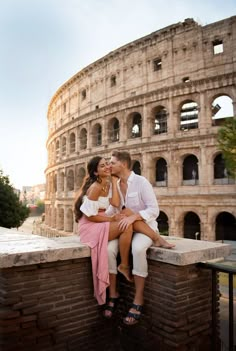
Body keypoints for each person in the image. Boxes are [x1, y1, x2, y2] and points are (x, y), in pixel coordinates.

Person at [105, 150, 175, 325]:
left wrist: (133, 216)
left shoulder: (141, 182)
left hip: (144, 228)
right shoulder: (114, 184)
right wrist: (98, 217)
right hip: (124, 230)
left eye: (112, 162)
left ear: (124, 164)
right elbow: (112, 210)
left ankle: (138, 300)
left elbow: (153, 210)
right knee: (107, 250)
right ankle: (114, 293)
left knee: (137, 249)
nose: (109, 165)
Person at [74, 156, 134, 305]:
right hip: (90, 225)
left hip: (100, 220)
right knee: (125, 225)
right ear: (95, 172)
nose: (107, 167)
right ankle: (124, 266)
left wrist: (114, 182)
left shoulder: (106, 183)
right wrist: (111, 220)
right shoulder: (95, 187)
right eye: (102, 166)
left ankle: (123, 266)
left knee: (124, 221)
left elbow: (115, 202)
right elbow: (91, 216)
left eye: (107, 164)